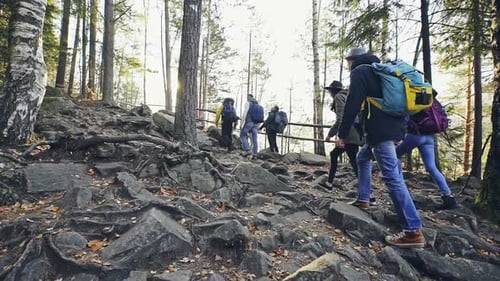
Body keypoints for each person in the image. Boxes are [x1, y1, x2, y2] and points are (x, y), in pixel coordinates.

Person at [337, 47, 426, 249]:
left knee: (392, 177)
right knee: (362, 157)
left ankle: (413, 231)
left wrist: (342, 134)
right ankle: (363, 198)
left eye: (348, 61)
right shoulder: (382, 71)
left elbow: (352, 104)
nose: (348, 65)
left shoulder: (361, 72)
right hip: (391, 129)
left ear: (353, 60)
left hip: (380, 132)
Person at [396, 91, 458, 210]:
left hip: (414, 136)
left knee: (394, 155)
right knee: (432, 167)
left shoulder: (415, 99)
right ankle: (448, 197)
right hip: (429, 137)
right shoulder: (433, 102)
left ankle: (399, 189)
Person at [324, 80, 363, 190]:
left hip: (349, 134)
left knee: (354, 161)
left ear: (333, 91)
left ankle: (368, 193)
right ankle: (329, 182)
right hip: (356, 132)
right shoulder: (349, 97)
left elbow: (341, 119)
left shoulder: (339, 97)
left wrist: (330, 135)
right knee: (336, 154)